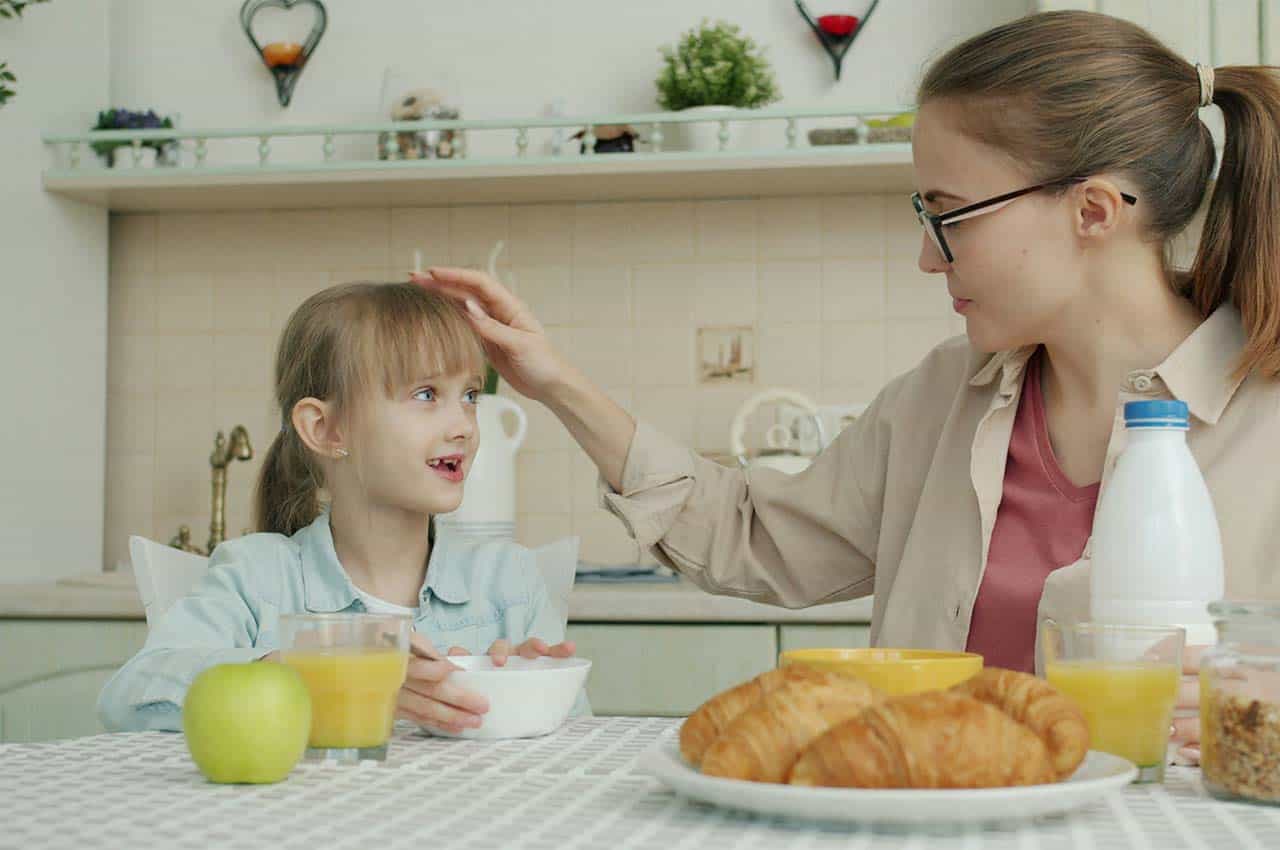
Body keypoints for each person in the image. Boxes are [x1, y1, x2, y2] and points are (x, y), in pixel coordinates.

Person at [415, 10, 1280, 762]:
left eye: (949, 214)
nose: (928, 255)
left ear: (1093, 211)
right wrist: (555, 383)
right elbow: (752, 538)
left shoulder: (1267, 416)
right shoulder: (943, 397)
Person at [99, 282, 579, 734]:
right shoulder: (256, 578)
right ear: (325, 429)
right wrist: (322, 674)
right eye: (426, 394)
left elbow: (576, 741)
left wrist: (528, 693)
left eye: (470, 396)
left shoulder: (508, 581)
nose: (465, 427)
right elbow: (131, 696)